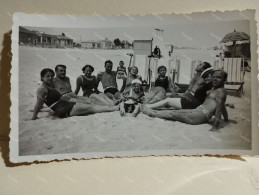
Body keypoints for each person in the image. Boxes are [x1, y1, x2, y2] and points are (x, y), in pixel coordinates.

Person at [141, 70, 229, 131]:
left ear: (225, 80)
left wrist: (215, 126)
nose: (215, 79)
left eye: (218, 77)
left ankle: (151, 113)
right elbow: (222, 105)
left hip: (202, 116)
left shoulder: (221, 92)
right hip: (198, 111)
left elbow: (219, 109)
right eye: (213, 77)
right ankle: (152, 111)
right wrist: (226, 119)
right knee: (177, 112)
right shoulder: (215, 90)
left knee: (173, 114)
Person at [31, 68, 118, 120]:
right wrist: (34, 117)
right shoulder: (42, 89)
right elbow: (38, 104)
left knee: (90, 104)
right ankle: (114, 109)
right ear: (42, 77)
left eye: (51, 76)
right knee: (91, 108)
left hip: (66, 105)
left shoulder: (49, 87)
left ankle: (111, 107)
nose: (50, 78)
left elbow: (46, 103)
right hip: (63, 110)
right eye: (47, 76)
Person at [145, 62, 213, 109]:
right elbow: (188, 91)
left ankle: (148, 107)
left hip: (191, 101)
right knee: (167, 96)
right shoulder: (196, 76)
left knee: (167, 99)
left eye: (200, 64)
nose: (197, 64)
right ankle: (151, 103)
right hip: (187, 96)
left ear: (203, 69)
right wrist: (180, 95)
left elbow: (209, 92)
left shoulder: (204, 78)